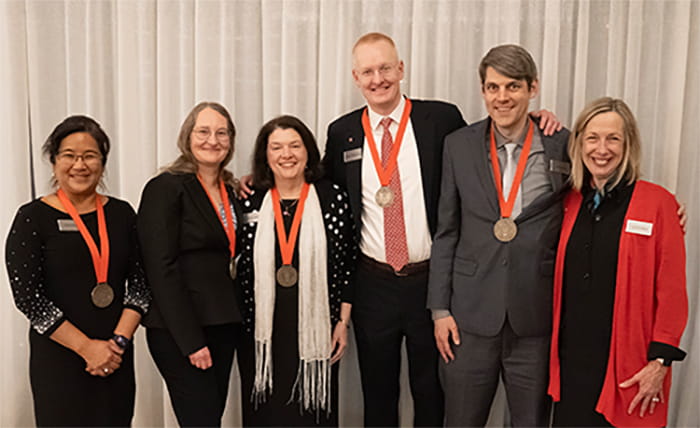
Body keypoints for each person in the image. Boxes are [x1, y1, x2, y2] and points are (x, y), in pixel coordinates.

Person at [322, 34, 562, 427]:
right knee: (377, 394)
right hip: (373, 284)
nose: (378, 78)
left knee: (432, 392)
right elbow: (320, 187)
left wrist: (536, 120)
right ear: (355, 77)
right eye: (368, 71)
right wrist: (258, 180)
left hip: (430, 280)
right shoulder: (342, 132)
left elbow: (491, 145)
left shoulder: (441, 119)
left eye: (385, 68)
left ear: (401, 69)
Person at [428, 44, 570, 426]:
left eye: (513, 87)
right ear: (483, 91)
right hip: (468, 318)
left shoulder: (562, 143)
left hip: (535, 318)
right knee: (460, 419)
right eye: (493, 87)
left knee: (531, 421)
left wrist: (659, 206)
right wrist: (440, 310)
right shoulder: (457, 145)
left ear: (532, 88)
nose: (502, 97)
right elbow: (447, 231)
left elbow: (602, 191)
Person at [548, 97, 688, 427]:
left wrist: (660, 362)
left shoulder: (658, 203)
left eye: (613, 138)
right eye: (593, 138)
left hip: (631, 366)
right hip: (572, 364)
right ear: (579, 142)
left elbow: (672, 293)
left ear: (628, 145)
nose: (602, 148)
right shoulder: (567, 201)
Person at [5, 115, 150, 426]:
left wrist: (116, 345)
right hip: (59, 358)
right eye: (69, 155)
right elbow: (28, 297)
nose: (79, 165)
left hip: (115, 356)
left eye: (89, 155)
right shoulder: (32, 218)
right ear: (53, 161)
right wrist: (87, 349)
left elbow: (141, 284)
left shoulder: (122, 214)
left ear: (103, 161)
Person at [235, 115, 355, 426]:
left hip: (318, 327)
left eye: (294, 145)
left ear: (308, 152)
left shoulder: (332, 198)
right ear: (265, 155)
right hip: (260, 329)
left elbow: (347, 265)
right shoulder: (250, 200)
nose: (286, 154)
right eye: (276, 147)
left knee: (311, 412)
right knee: (265, 412)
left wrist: (342, 322)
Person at [137, 102, 243, 427]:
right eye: (204, 131)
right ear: (188, 136)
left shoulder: (232, 189)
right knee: (199, 421)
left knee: (211, 417)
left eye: (221, 132)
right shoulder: (165, 187)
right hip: (180, 329)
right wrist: (191, 341)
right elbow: (160, 268)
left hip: (223, 321)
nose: (213, 140)